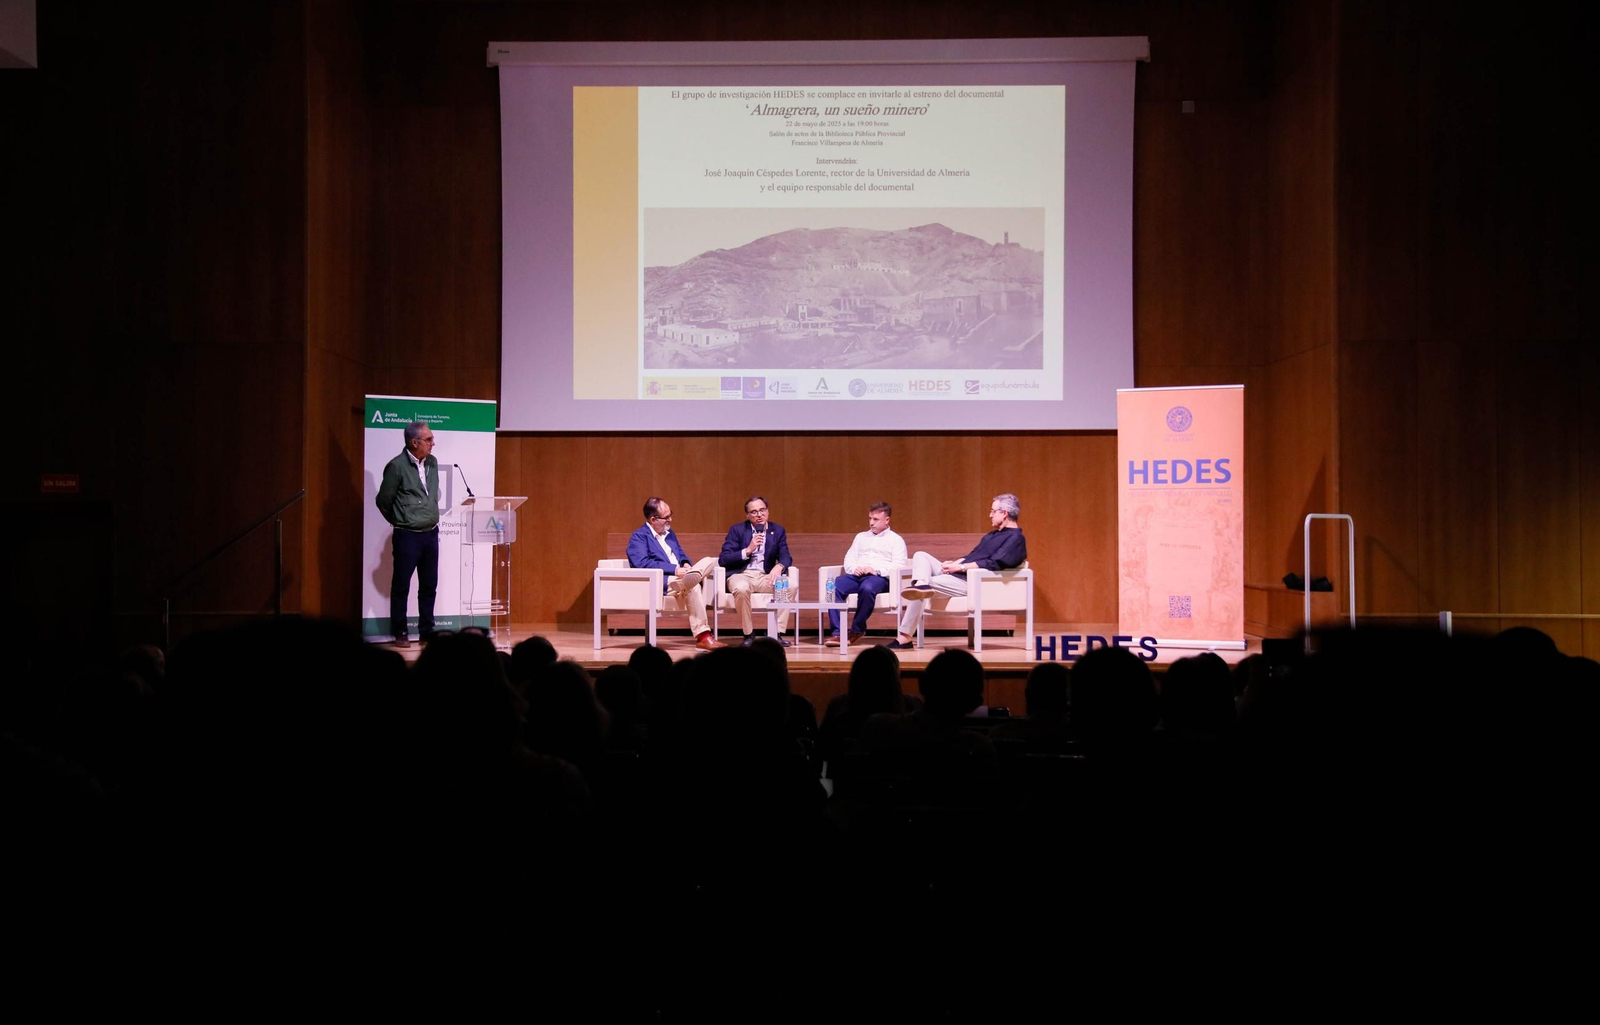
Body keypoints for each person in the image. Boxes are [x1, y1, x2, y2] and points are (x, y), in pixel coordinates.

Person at [889, 493, 1027, 650]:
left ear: (1004, 513)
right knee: (921, 555)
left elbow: (994, 562)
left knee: (926, 583)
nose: (990, 515)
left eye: (993, 511)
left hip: (969, 581)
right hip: (958, 574)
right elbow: (972, 556)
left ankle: (904, 637)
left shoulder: (1016, 539)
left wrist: (961, 568)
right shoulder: (992, 535)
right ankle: (921, 585)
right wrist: (955, 563)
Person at [375, 420, 440, 646]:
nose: (433, 443)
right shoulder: (396, 466)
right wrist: (400, 520)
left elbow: (432, 494)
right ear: (415, 442)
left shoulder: (432, 462)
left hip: (431, 533)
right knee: (402, 584)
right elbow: (383, 501)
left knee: (429, 584)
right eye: (429, 439)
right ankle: (400, 631)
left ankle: (427, 631)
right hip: (408, 535)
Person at [626, 498, 720, 651]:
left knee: (710, 561)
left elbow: (680, 554)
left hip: (680, 578)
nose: (671, 519)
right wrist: (674, 570)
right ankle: (704, 638)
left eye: (671, 514)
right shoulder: (639, 537)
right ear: (653, 519)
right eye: (667, 517)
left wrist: (685, 564)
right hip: (661, 581)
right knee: (693, 587)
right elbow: (641, 563)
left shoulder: (669, 534)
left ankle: (688, 579)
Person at [825, 501, 907, 647]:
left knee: (867, 588)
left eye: (875, 519)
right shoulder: (861, 537)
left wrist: (876, 571)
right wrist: (854, 568)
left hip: (879, 578)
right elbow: (849, 558)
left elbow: (899, 565)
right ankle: (838, 633)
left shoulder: (896, 540)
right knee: (834, 585)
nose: (871, 523)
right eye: (870, 518)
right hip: (857, 576)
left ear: (886, 520)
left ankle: (857, 629)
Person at [718, 496, 794, 647]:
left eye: (762, 510)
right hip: (742, 575)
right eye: (754, 512)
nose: (759, 515)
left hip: (765, 577)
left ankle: (775, 633)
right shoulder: (737, 530)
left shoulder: (777, 531)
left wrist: (779, 567)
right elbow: (724, 559)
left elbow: (786, 556)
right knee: (741, 588)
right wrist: (747, 550)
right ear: (747, 515)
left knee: (790, 585)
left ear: (767, 512)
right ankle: (748, 634)